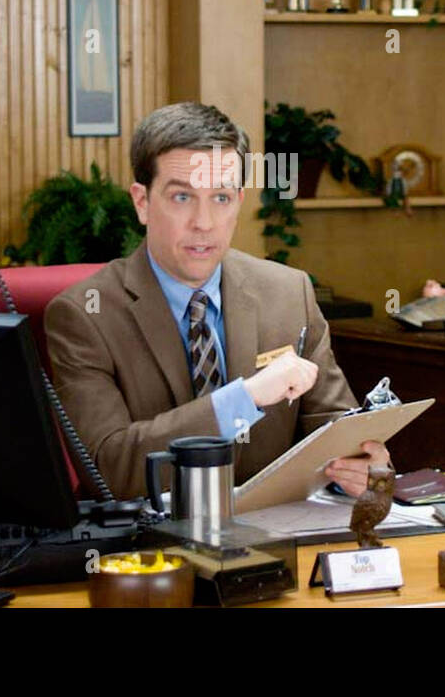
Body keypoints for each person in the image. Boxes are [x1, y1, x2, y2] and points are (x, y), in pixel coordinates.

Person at [45, 102, 389, 500]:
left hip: (274, 536)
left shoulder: (289, 292)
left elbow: (334, 427)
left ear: (240, 201)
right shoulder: (84, 315)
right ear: (142, 202)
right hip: (149, 550)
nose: (204, 223)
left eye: (221, 198)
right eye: (181, 198)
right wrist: (246, 398)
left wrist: (364, 465)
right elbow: (111, 470)